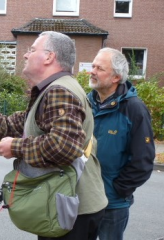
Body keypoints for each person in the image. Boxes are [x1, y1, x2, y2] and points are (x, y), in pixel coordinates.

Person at [0, 31, 108, 240]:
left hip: (70, 209)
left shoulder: (60, 91)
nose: (25, 55)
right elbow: (6, 128)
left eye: (32, 50)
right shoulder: (50, 91)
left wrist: (15, 148)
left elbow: (63, 146)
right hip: (67, 204)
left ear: (49, 57)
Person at [87, 48, 155, 240]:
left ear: (116, 77)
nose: (92, 71)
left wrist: (119, 189)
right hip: (83, 200)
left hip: (113, 205)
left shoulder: (134, 109)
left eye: (99, 68)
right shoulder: (86, 103)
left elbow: (143, 160)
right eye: (92, 65)